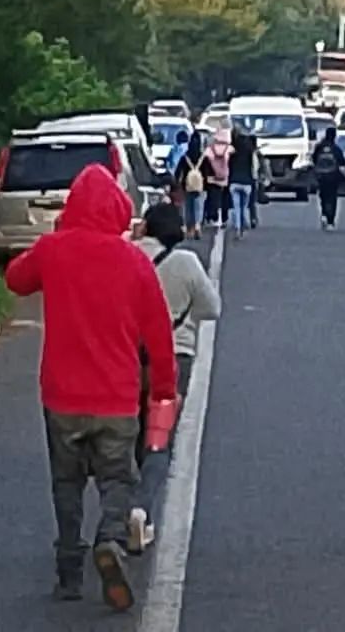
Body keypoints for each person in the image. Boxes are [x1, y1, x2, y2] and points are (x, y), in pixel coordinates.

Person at [6, 165, 179, 610]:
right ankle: (110, 540)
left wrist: (57, 234)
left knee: (66, 484)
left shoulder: (53, 251)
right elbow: (159, 334)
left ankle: (68, 572)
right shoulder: (135, 261)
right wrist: (162, 389)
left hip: (61, 395)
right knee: (118, 479)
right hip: (118, 397)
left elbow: (15, 279)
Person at [129, 202, 220, 552]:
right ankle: (142, 508)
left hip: (130, 357)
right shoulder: (185, 263)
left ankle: (123, 505)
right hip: (174, 360)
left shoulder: (129, 255)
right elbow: (212, 307)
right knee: (158, 438)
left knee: (129, 431)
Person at [309, 127, 345, 231]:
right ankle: (330, 221)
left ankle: (324, 213)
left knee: (323, 197)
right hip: (332, 176)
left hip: (321, 176)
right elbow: (342, 163)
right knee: (332, 199)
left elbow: (314, 160)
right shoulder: (335, 148)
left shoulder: (319, 147)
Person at [230, 123, 261, 231]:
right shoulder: (250, 150)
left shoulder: (232, 151)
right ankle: (244, 222)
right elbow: (255, 166)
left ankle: (238, 226)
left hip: (234, 181)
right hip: (247, 181)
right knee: (244, 206)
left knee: (236, 206)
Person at [201, 130, 232, 231]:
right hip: (225, 177)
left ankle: (212, 217)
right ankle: (224, 218)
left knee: (213, 198)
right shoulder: (229, 149)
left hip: (212, 178)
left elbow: (204, 164)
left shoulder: (210, 149)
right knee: (225, 199)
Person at [177, 132, 206, 238]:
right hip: (199, 186)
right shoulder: (203, 157)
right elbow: (207, 172)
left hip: (187, 185)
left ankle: (186, 227)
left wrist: (177, 183)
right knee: (198, 206)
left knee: (187, 207)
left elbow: (178, 171)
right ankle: (197, 225)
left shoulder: (185, 157)